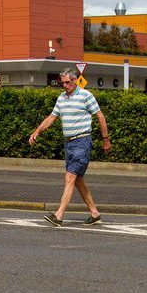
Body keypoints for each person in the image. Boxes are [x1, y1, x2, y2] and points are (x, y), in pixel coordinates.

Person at [28, 69, 110, 226]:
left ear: (75, 80)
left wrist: (105, 140)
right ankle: (94, 213)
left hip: (82, 141)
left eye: (68, 82)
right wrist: (36, 132)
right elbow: (52, 117)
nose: (65, 86)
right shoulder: (61, 98)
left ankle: (59, 215)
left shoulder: (86, 96)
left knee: (70, 177)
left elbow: (100, 117)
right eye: (62, 83)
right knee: (77, 179)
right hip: (69, 143)